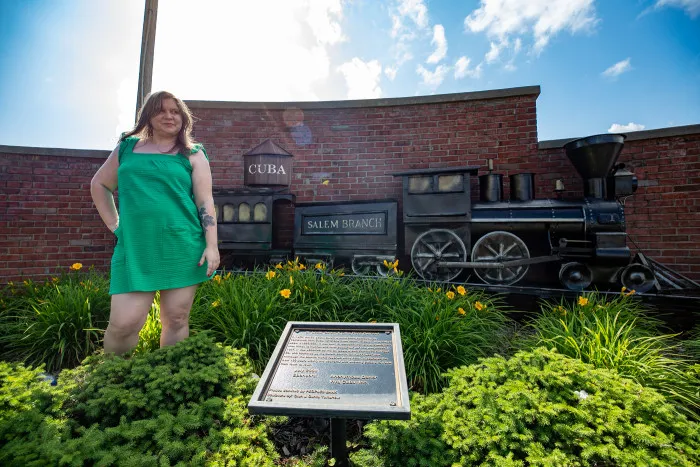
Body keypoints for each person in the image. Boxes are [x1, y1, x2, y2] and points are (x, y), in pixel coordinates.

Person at [90, 90, 219, 355]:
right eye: (161, 110)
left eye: (175, 111)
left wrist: (212, 246)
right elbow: (100, 184)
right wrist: (115, 225)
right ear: (148, 115)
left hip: (182, 245)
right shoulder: (126, 148)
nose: (169, 116)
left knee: (177, 318)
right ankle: (113, 380)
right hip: (136, 247)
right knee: (123, 324)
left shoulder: (193, 154)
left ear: (183, 118)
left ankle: (168, 378)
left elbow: (205, 202)